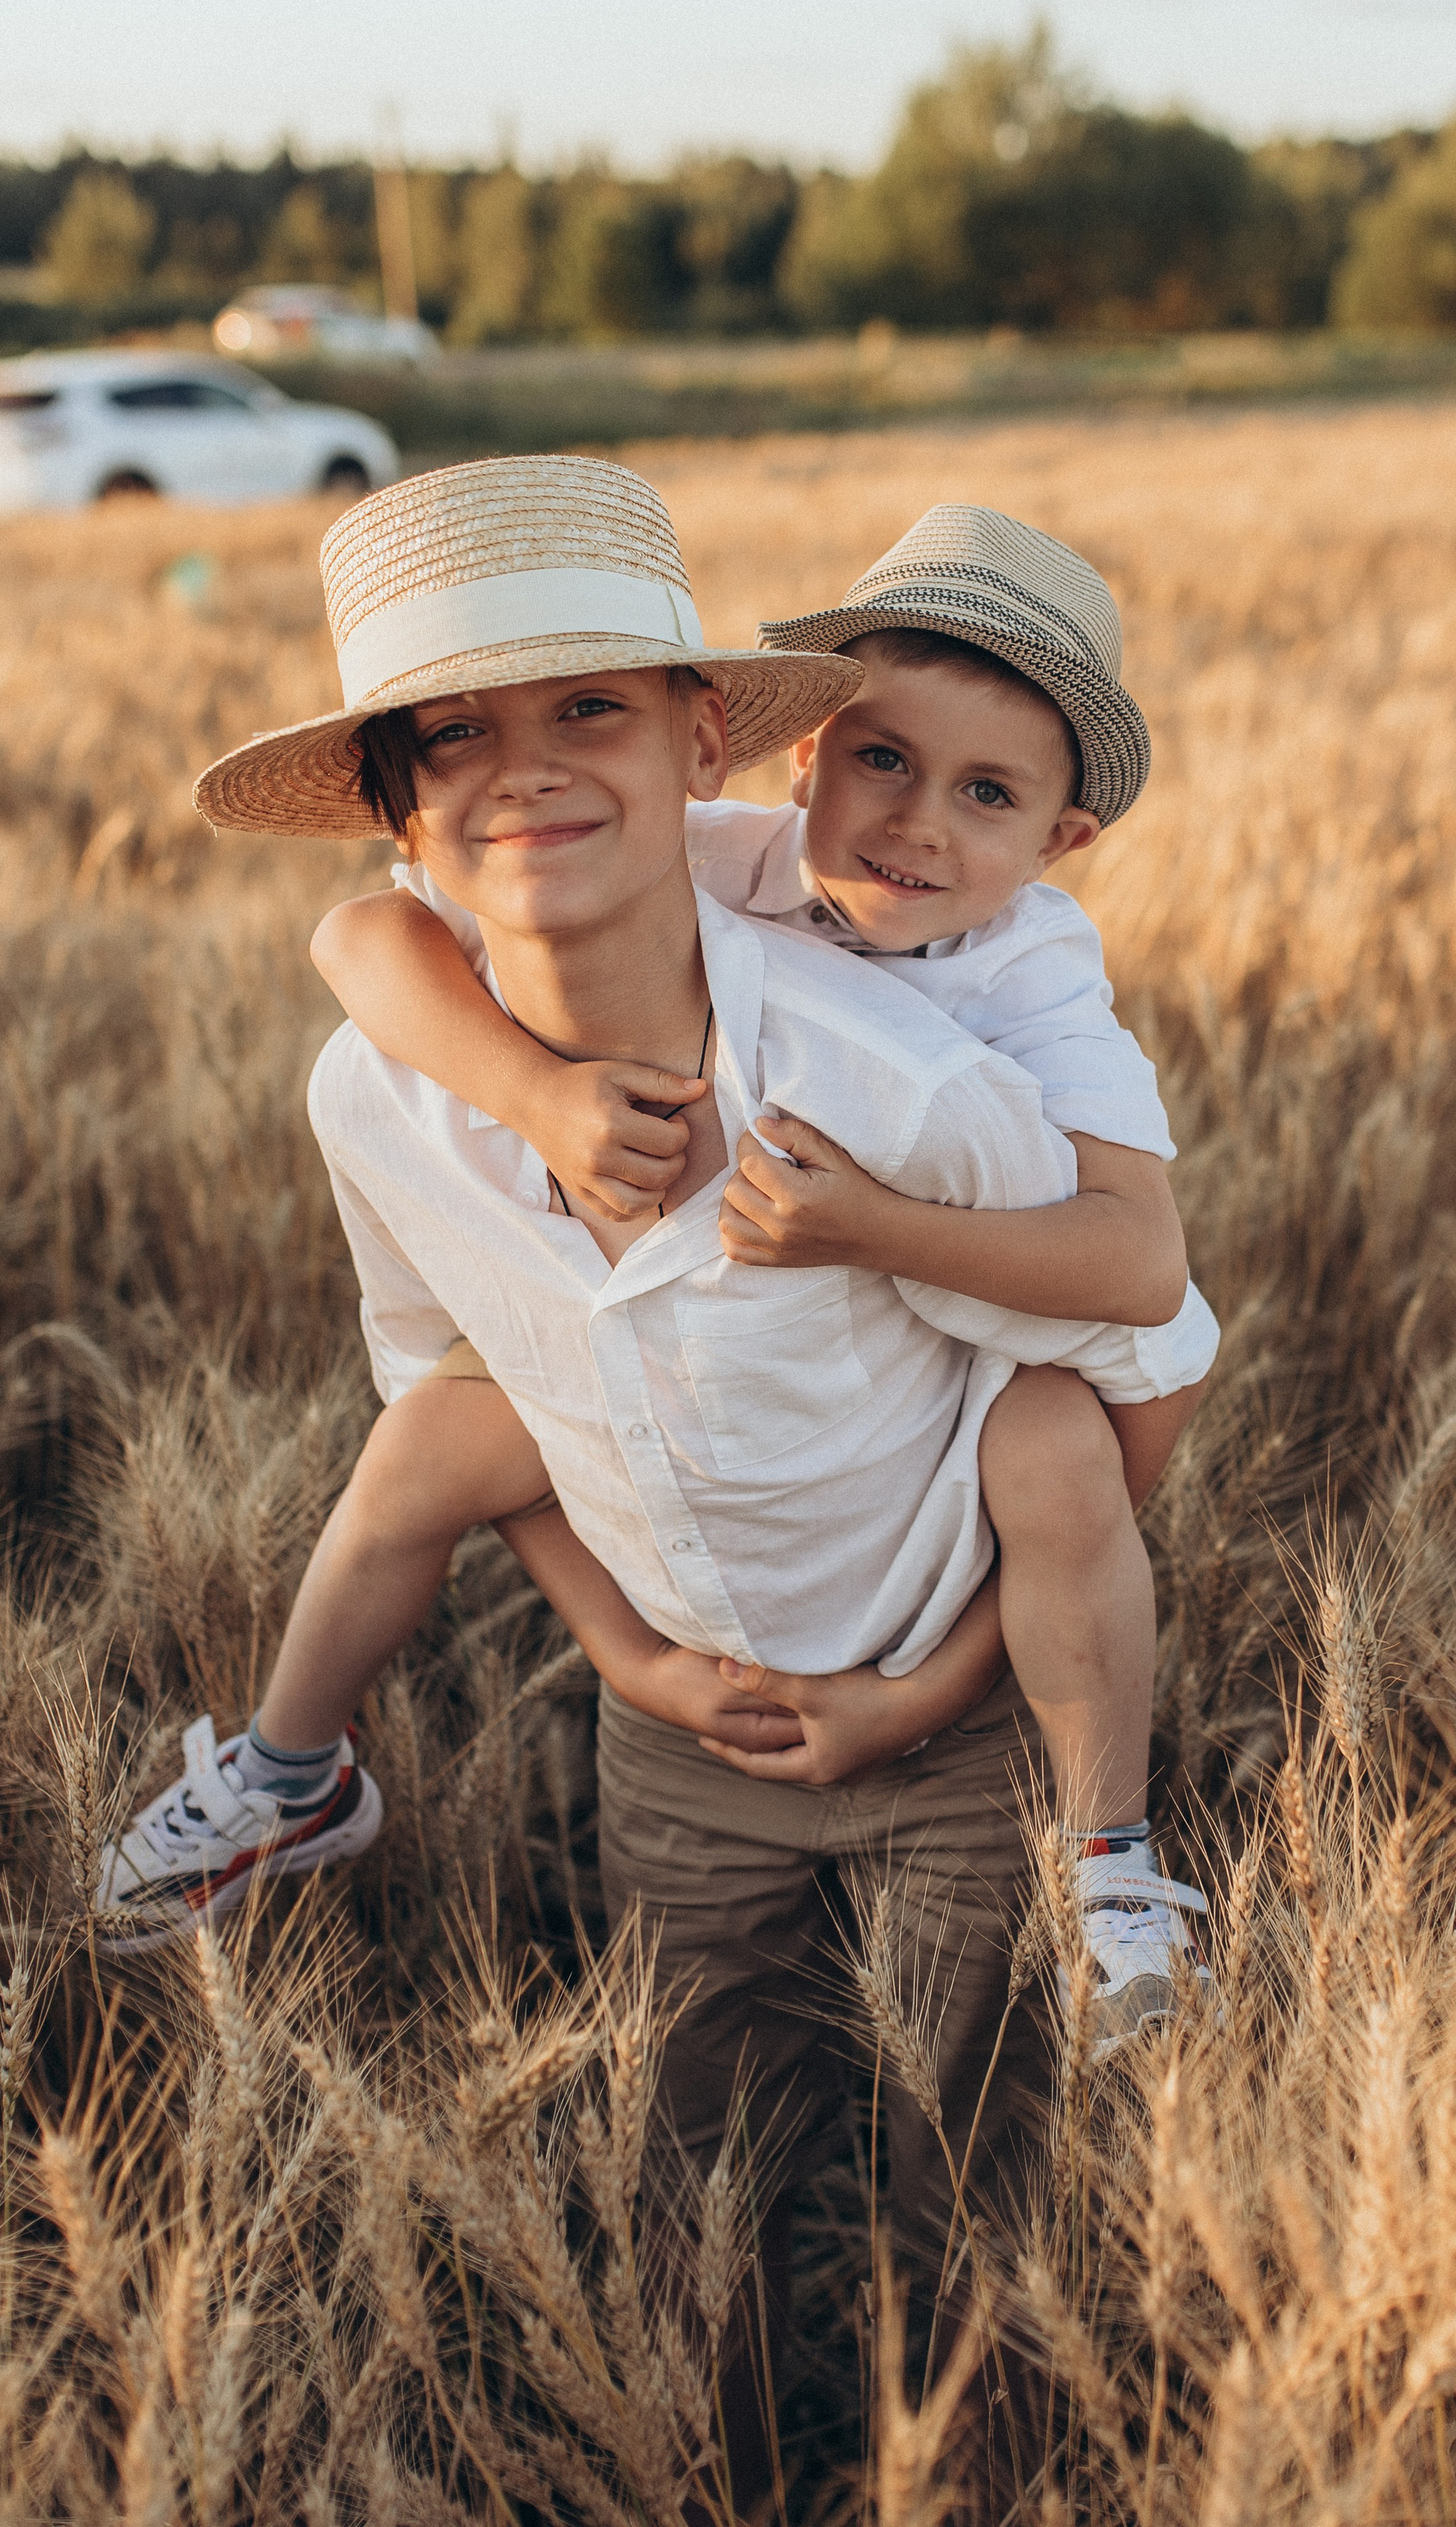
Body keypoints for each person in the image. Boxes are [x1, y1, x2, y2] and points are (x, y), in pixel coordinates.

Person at [102, 467, 1213, 2072]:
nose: (911, 824)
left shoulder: (997, 1024)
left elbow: (1142, 1297)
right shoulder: (722, 866)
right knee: (438, 1435)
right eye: (880, 762)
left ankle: (1110, 1851)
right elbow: (358, 943)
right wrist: (530, 1092)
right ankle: (292, 1766)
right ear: (789, 764)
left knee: (976, 2164)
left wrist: (862, 1229)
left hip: (961, 1657)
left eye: (584, 711)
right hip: (679, 1712)